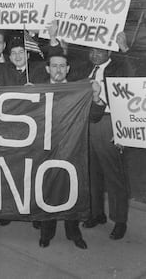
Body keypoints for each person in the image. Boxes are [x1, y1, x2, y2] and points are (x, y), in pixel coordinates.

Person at [37, 52, 106, 249]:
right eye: (54, 66)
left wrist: (95, 96)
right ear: (48, 69)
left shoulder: (79, 90)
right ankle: (46, 232)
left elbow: (94, 116)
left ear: (68, 69)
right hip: (46, 151)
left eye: (62, 66)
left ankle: (73, 232)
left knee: (72, 191)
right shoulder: (37, 91)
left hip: (73, 150)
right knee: (47, 191)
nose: (58, 70)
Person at [72, 32, 136, 240]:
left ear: (109, 51)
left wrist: (125, 49)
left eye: (99, 50)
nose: (94, 54)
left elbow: (134, 80)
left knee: (113, 174)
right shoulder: (86, 68)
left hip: (108, 122)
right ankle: (96, 212)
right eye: (91, 50)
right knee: (91, 172)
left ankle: (119, 220)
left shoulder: (118, 67)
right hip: (87, 122)